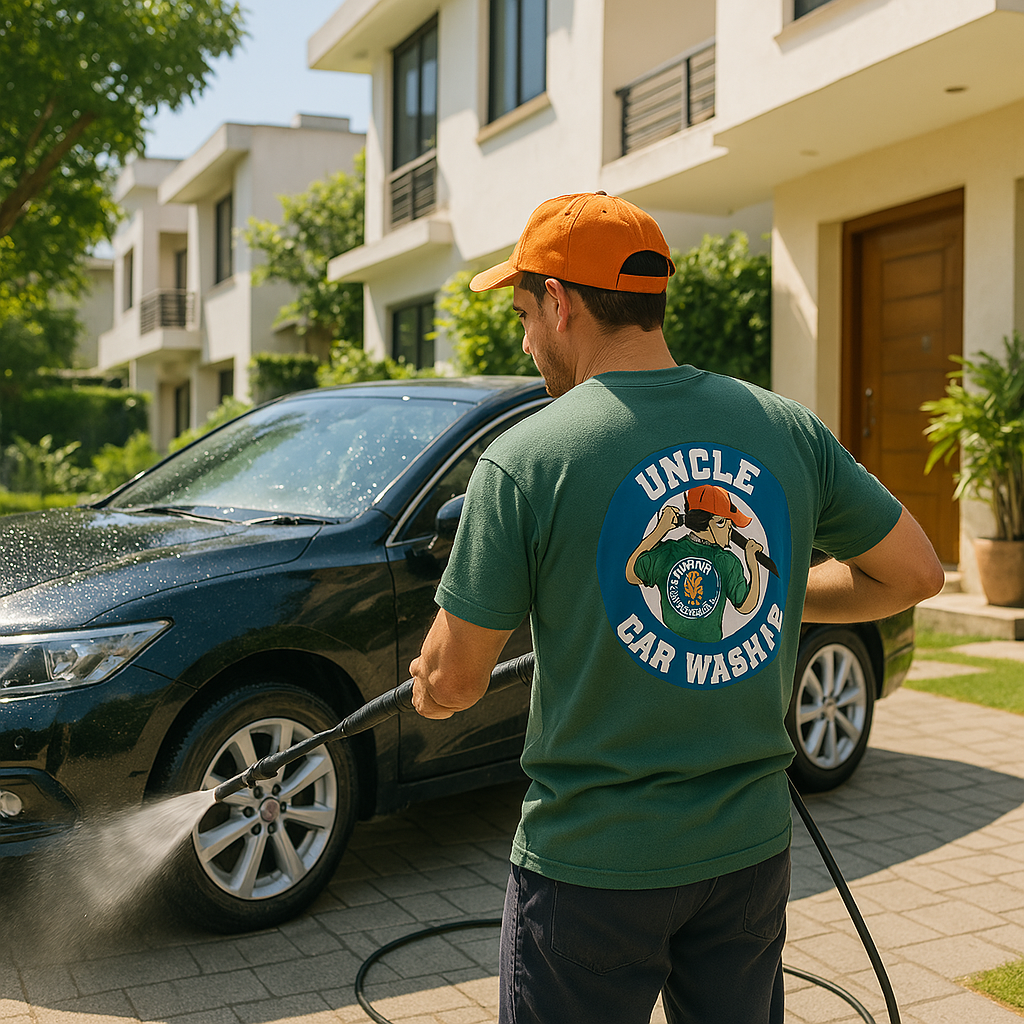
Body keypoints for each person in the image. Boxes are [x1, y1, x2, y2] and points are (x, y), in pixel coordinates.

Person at [409, 191, 944, 1024]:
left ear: (561, 302)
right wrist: (772, 601)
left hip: (590, 867)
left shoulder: (524, 459)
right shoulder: (785, 428)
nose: (524, 339)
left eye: (523, 313)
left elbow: (457, 682)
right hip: (748, 858)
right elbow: (914, 574)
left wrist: (430, 680)